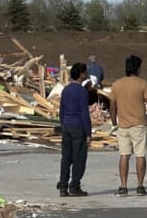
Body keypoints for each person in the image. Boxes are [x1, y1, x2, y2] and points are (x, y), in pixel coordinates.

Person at [109, 55, 147, 197]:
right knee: (140, 155)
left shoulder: (117, 84)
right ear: (138, 68)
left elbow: (112, 107)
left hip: (123, 125)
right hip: (139, 124)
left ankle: (123, 186)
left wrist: (114, 122)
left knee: (124, 155)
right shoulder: (143, 84)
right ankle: (140, 186)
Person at [57, 62, 92, 197]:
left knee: (66, 157)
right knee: (79, 157)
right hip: (78, 126)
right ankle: (74, 186)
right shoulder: (82, 91)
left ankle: (63, 186)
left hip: (67, 125)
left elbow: (62, 109)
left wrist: (63, 124)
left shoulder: (66, 89)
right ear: (82, 74)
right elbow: (84, 113)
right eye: (85, 72)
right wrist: (88, 133)